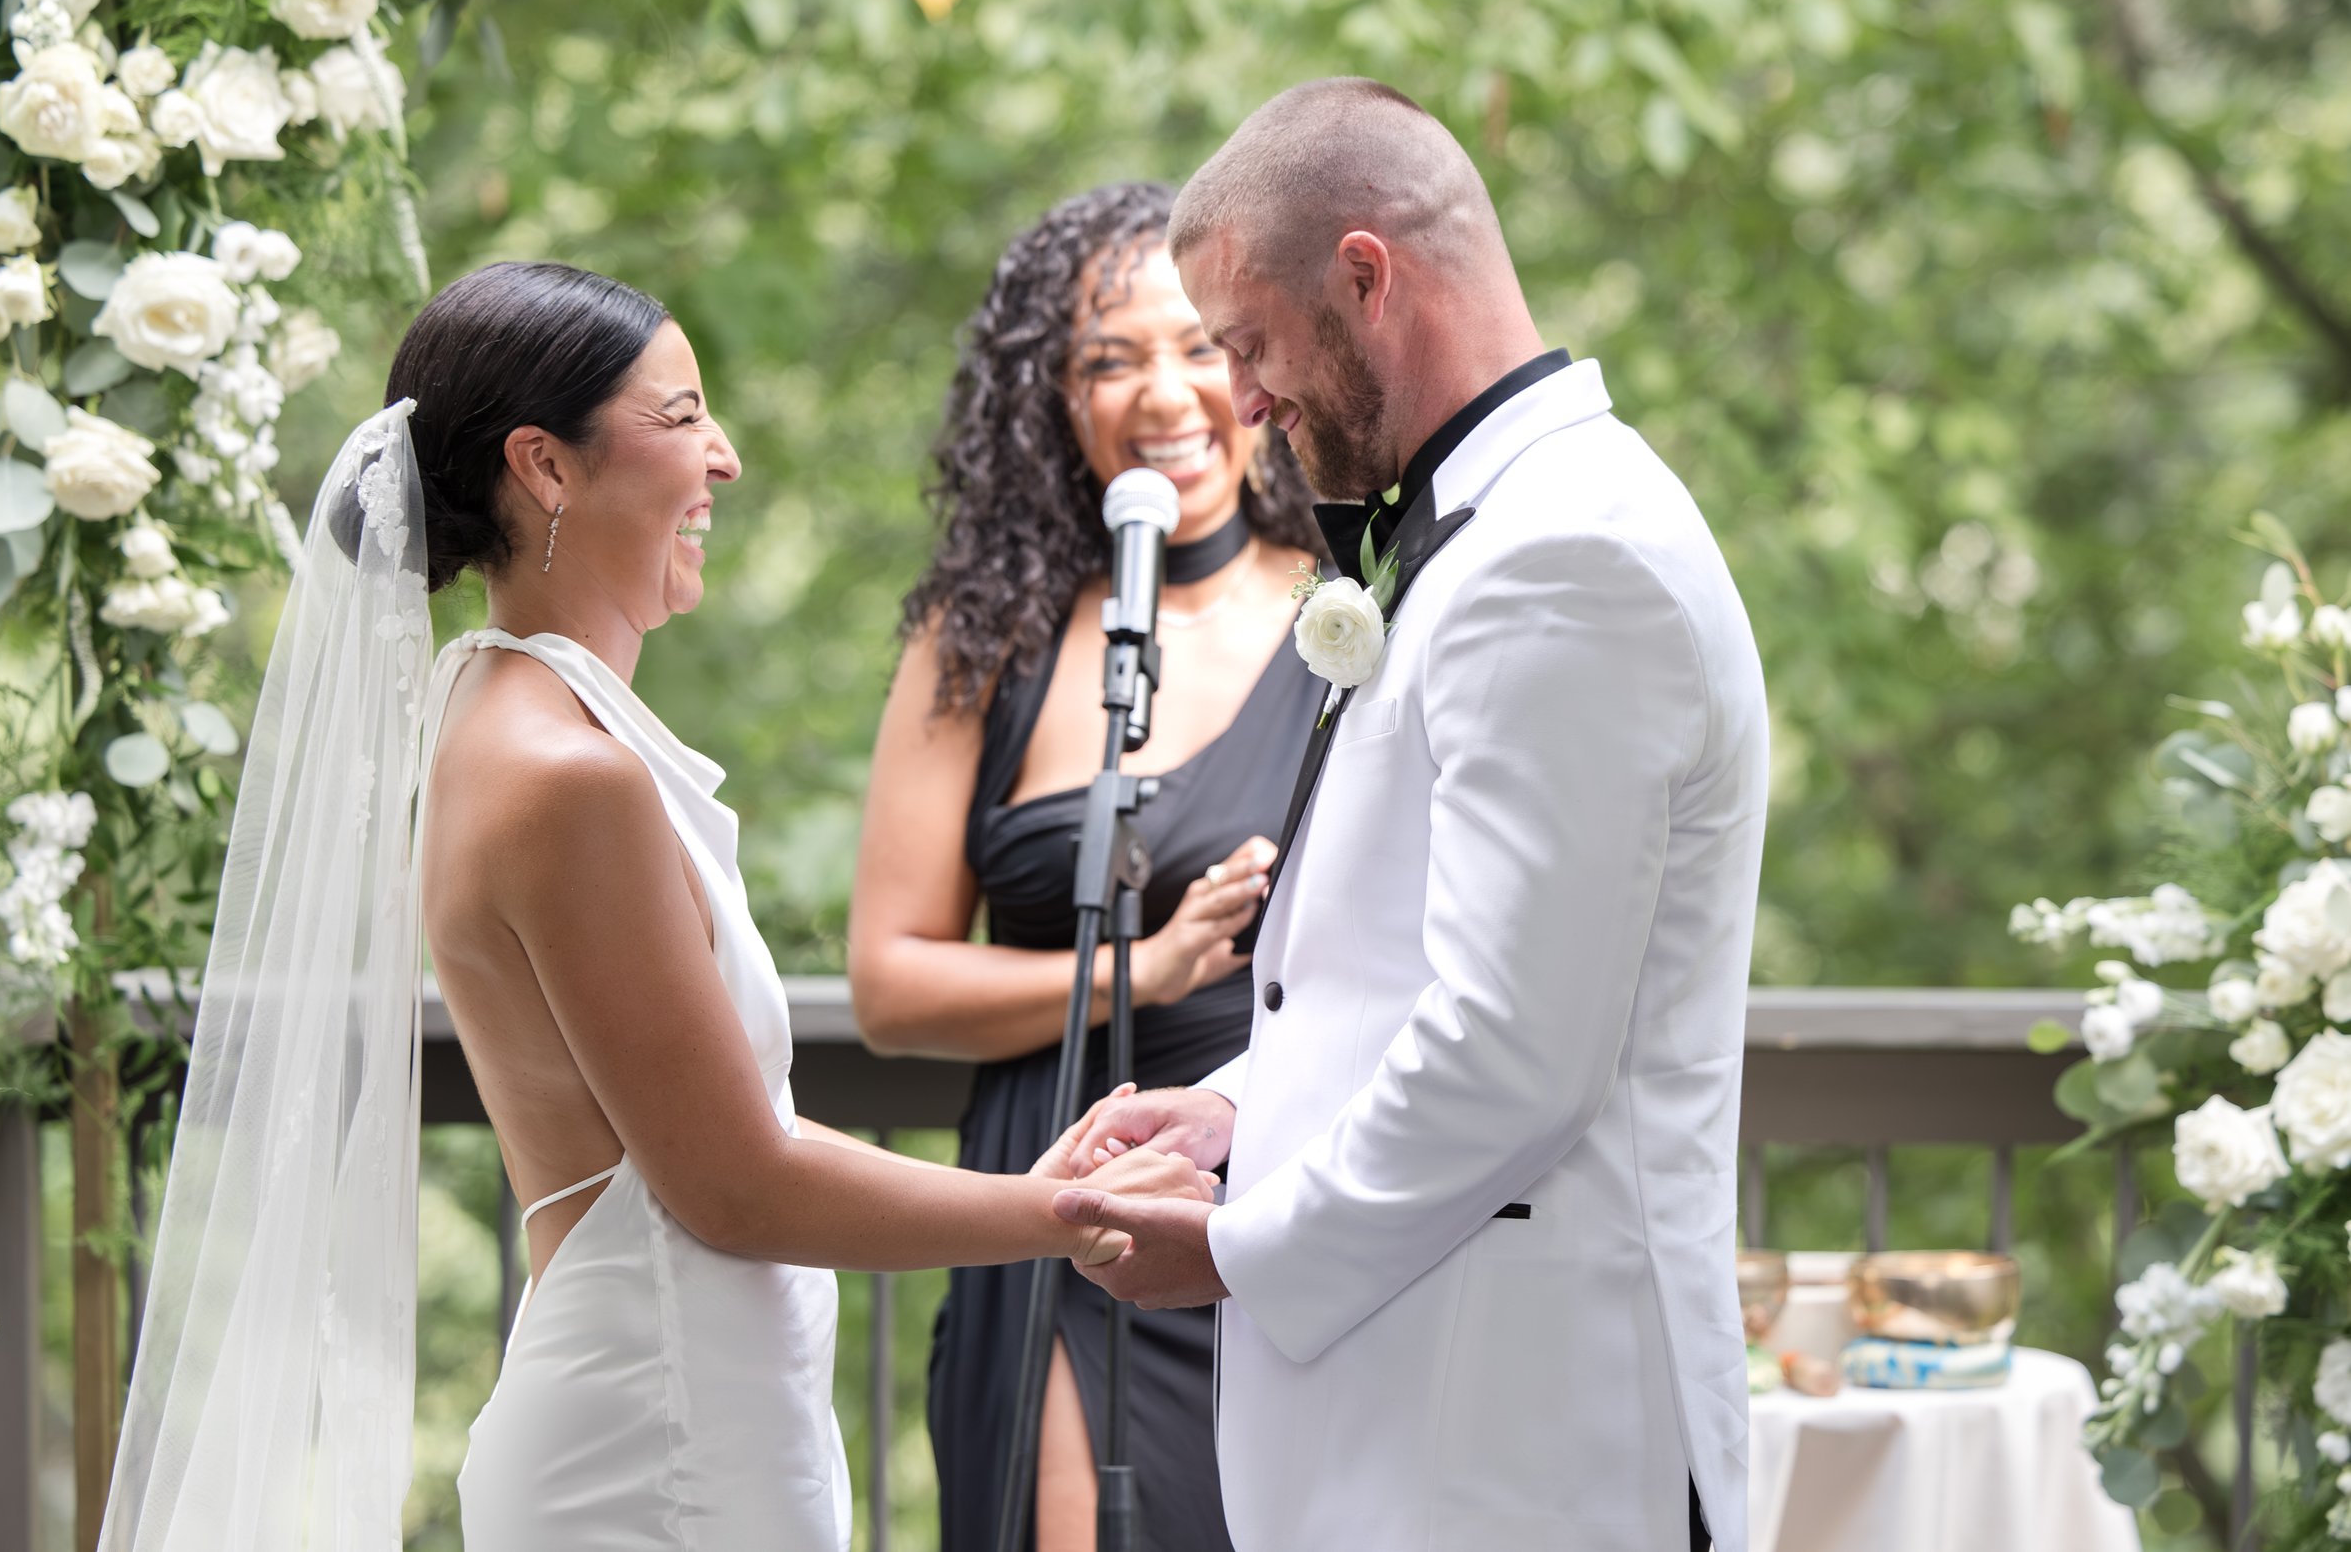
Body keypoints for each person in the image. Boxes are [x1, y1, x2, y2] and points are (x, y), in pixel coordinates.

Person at [97, 261, 1208, 1552]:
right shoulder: (568, 777)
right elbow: (731, 1184)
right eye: (682, 419)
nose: (724, 459)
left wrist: (1034, 1189)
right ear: (547, 467)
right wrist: (1055, 1212)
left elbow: (730, 1139)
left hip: (691, 1411)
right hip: (659, 1451)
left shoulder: (503, 711)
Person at [1049, 80, 1770, 1552]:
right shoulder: (1491, 532)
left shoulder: (1566, 556)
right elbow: (1400, 966)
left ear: (1367, 277)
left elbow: (1517, 1046)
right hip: (1431, 1434)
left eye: (1248, 343)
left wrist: (1242, 1249)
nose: (1242, 401)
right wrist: (1245, 1108)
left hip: (1518, 1455)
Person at [847, 182, 1326, 1552]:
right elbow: (887, 982)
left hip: (1272, 1198)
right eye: (1107, 360)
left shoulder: (1345, 613)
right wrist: (1144, 969)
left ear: (1254, 370)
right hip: (1063, 1198)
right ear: (1051, 401)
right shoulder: (981, 636)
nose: (1163, 393)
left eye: (1196, 346)